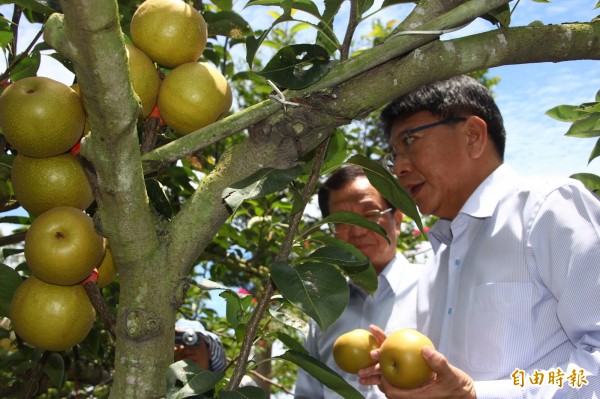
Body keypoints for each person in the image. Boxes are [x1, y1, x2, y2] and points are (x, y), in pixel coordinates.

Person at [359, 75, 600, 398]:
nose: (399, 167)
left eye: (410, 142)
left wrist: (480, 394)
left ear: (473, 135)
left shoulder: (547, 210)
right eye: (393, 154)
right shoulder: (438, 262)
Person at [294, 165, 423, 399]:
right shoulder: (324, 313)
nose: (357, 231)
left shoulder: (435, 288)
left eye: (370, 214)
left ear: (397, 219)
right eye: (343, 221)